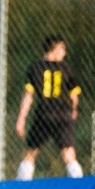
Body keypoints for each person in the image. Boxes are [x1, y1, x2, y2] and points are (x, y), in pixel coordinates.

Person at [15, 34, 83, 180]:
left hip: (43, 115)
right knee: (68, 153)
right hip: (63, 115)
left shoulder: (35, 68)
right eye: (62, 48)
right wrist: (74, 110)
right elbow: (74, 97)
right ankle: (80, 187)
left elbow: (28, 96)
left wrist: (21, 118)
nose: (64, 52)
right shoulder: (67, 69)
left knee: (30, 153)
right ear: (55, 48)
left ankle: (21, 187)